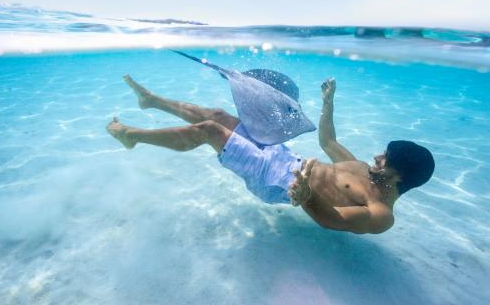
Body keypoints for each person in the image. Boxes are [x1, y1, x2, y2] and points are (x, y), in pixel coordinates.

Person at [107, 75, 435, 234]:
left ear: (400, 176)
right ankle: (152, 101)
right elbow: (328, 141)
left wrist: (306, 195)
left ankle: (131, 136)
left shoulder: (381, 214)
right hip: (283, 156)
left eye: (385, 159)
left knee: (209, 130)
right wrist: (328, 102)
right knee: (219, 115)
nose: (377, 157)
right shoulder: (364, 168)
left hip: (276, 180)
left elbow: (332, 220)